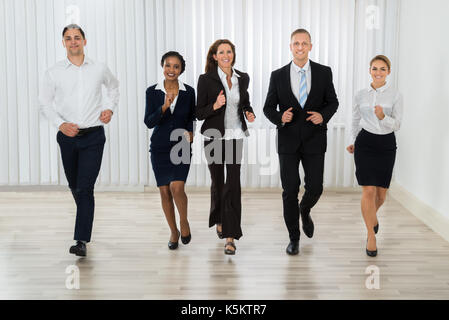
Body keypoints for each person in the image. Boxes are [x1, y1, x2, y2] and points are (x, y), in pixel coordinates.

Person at [39, 24, 119, 257]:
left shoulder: (99, 68)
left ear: (85, 41)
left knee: (85, 188)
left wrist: (109, 109)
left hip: (93, 135)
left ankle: (81, 240)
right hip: (67, 137)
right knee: (75, 186)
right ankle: (85, 217)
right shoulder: (53, 72)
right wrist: (60, 125)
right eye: (68, 38)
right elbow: (45, 103)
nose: (73, 41)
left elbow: (114, 88)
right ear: (63, 43)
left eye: (77, 37)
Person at [263, 29, 339, 255]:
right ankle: (294, 238)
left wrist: (323, 116)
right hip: (288, 142)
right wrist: (279, 117)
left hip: (315, 139)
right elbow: (268, 107)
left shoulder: (324, 72)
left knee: (315, 187)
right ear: (290, 46)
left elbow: (333, 102)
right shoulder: (277, 75)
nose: (300, 47)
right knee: (290, 190)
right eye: (296, 43)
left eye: (304, 43)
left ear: (310, 46)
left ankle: (304, 210)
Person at [196, 39, 256, 255]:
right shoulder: (206, 80)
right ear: (214, 56)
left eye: (229, 51)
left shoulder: (243, 78)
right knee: (218, 183)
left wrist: (249, 112)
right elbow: (199, 112)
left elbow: (245, 102)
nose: (225, 55)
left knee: (233, 184)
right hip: (213, 136)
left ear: (233, 54)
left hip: (235, 135)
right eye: (221, 52)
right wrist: (215, 105)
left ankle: (230, 237)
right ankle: (219, 217)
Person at [346, 55, 403, 257]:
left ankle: (373, 219)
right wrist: (352, 140)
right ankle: (371, 235)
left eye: (382, 69)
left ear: (388, 71)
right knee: (368, 191)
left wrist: (383, 117)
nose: (378, 72)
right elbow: (354, 119)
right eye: (374, 68)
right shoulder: (361, 94)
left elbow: (397, 124)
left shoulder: (395, 95)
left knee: (381, 195)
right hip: (365, 143)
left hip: (386, 144)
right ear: (369, 70)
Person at [144, 51, 195, 250]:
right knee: (165, 192)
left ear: (181, 69)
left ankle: (184, 221)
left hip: (181, 145)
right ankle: (173, 231)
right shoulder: (152, 91)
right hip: (159, 147)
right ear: (162, 66)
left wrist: (192, 132)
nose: (171, 70)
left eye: (175, 66)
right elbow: (149, 122)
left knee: (177, 188)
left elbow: (191, 115)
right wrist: (164, 107)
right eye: (168, 65)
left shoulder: (189, 91)